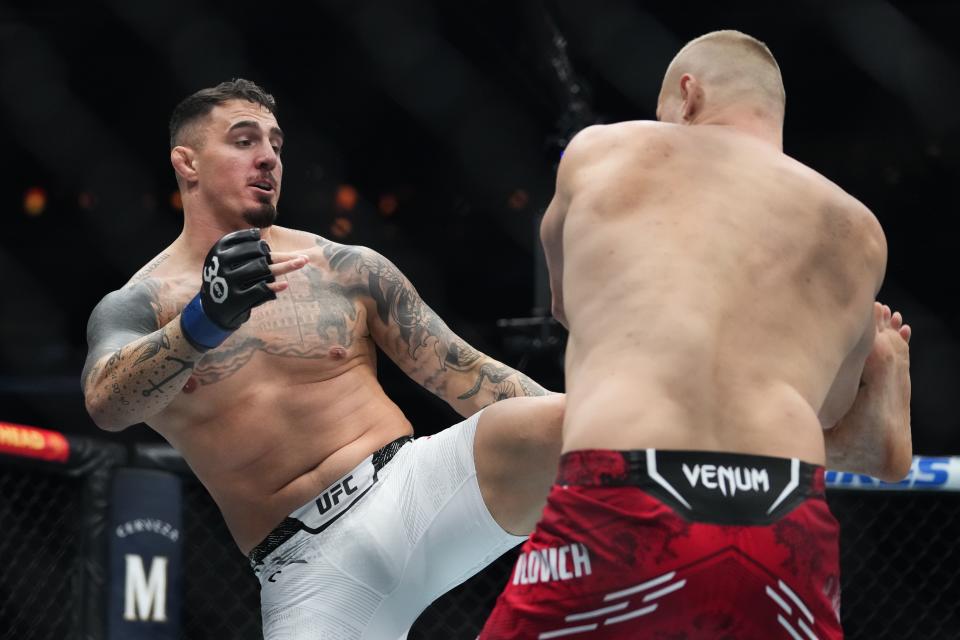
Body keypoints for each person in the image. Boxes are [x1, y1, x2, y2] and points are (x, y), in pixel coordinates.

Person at [81, 79, 564, 640]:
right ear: (186, 162)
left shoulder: (345, 268)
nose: (267, 157)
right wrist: (203, 321)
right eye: (243, 141)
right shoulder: (141, 302)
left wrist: (580, 430)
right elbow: (107, 403)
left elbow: (467, 375)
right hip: (305, 567)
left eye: (276, 144)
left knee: (566, 424)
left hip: (412, 488)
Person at [479, 30, 912, 640]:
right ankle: (880, 418)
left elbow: (571, 304)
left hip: (626, 494)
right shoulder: (856, 227)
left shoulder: (603, 150)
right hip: (782, 507)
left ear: (687, 97)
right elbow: (830, 408)